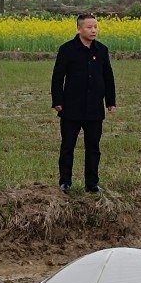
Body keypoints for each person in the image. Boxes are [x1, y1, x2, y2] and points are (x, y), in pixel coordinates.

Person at [51, 14, 116, 193]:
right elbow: (57, 77)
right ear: (79, 29)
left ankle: (92, 183)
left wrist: (110, 101)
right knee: (67, 146)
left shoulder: (102, 50)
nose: (93, 30)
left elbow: (108, 76)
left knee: (93, 147)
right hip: (71, 106)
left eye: (95, 26)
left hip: (94, 107)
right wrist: (57, 101)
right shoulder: (67, 49)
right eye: (89, 27)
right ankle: (65, 182)